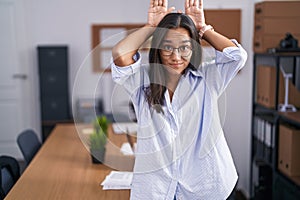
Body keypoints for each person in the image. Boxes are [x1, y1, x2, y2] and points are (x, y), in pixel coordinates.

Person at [111, 0, 247, 199]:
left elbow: (238, 57)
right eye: (167, 47)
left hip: (207, 186)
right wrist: (151, 28)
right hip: (158, 189)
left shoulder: (207, 79)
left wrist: (202, 29)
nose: (176, 56)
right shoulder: (142, 82)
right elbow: (120, 55)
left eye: (184, 47)